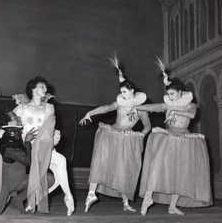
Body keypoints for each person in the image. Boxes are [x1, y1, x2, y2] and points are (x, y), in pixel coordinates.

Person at [131, 58, 212, 216]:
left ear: (181, 92)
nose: (170, 97)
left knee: (180, 173)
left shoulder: (190, 104)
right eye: (168, 94)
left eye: (172, 93)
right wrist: (136, 106)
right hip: (169, 138)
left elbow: (192, 114)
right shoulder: (168, 104)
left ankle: (172, 206)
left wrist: (175, 111)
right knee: (157, 168)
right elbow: (155, 107)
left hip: (184, 139)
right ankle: (148, 197)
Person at [79, 54, 151, 213]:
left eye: (125, 92)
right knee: (100, 160)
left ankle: (125, 202)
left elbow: (147, 126)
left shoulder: (141, 108)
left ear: (132, 91)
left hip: (128, 139)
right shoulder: (119, 103)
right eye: (121, 92)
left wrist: (142, 134)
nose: (123, 95)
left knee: (126, 169)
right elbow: (105, 108)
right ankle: (91, 193)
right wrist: (89, 113)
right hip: (112, 134)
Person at [13, 76, 75, 216]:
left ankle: (35, 200)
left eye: (46, 87)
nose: (45, 89)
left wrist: (51, 142)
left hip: (44, 145)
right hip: (27, 147)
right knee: (61, 162)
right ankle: (67, 196)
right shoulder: (21, 108)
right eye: (42, 86)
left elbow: (48, 129)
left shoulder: (49, 107)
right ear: (33, 89)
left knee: (59, 172)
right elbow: (10, 126)